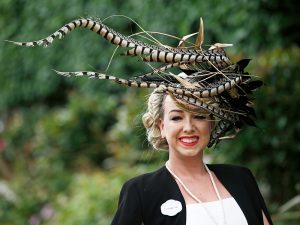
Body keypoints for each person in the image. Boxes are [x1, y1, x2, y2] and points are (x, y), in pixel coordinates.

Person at [110, 89, 273, 225]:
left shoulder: (241, 178)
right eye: (176, 118)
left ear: (211, 124)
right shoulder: (140, 191)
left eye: (199, 116)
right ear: (162, 127)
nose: (188, 127)